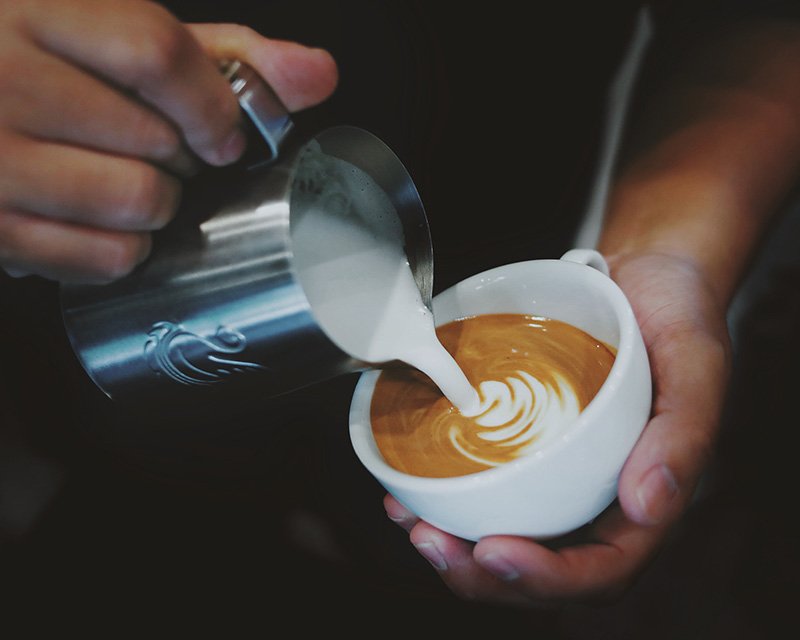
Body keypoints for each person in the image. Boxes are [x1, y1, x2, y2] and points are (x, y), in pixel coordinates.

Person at [1, 0, 798, 625]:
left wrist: (672, 252)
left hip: (463, 231)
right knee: (130, 537)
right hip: (117, 325)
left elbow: (754, 17)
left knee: (409, 579)